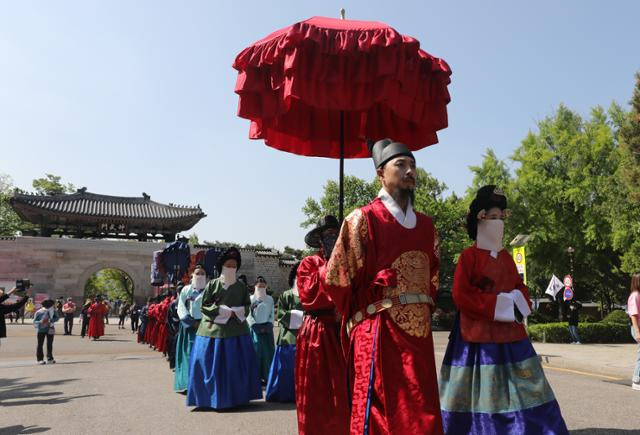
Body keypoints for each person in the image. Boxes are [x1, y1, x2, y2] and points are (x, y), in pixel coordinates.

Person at [324, 139, 443, 434]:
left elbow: (434, 278)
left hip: (418, 333)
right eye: (400, 164)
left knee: (422, 405)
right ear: (380, 173)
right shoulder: (362, 219)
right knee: (383, 409)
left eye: (412, 165)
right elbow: (336, 279)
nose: (409, 170)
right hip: (378, 327)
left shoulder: (428, 227)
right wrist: (364, 306)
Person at [439, 185, 568, 434]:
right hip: (476, 340)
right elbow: (461, 295)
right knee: (479, 393)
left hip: (511, 336)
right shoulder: (469, 257)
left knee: (529, 389)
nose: (498, 223)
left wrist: (518, 302)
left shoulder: (507, 257)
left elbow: (521, 287)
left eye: (501, 218)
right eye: (492, 217)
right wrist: (500, 304)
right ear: (480, 219)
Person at [186, 247, 261, 409]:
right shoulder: (212, 284)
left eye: (234, 266)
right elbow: (204, 305)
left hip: (237, 330)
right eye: (228, 265)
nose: (231, 268)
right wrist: (223, 311)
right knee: (209, 364)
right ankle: (208, 397)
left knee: (236, 366)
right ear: (222, 266)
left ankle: (237, 397)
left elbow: (247, 305)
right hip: (212, 330)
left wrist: (238, 312)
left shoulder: (241, 286)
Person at [295, 216, 349, 435]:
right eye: (326, 236)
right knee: (317, 392)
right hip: (317, 334)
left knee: (345, 391)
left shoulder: (350, 262)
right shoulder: (309, 264)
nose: (331, 239)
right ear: (319, 240)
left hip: (344, 332)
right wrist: (331, 265)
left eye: (335, 235)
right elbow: (309, 296)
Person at [266, 262, 303, 402]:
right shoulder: (286, 295)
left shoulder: (312, 295)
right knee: (287, 368)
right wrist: (302, 317)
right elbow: (281, 315)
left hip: (308, 335)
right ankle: (284, 394)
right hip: (288, 336)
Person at [174, 266, 206, 392]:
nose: (200, 275)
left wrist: (205, 322)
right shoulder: (186, 290)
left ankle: (202, 383)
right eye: (197, 273)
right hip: (189, 327)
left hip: (205, 327)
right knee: (188, 354)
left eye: (203, 273)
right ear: (192, 275)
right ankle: (187, 384)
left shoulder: (209, 290)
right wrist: (191, 322)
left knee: (203, 355)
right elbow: (181, 307)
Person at [247, 276, 275, 384]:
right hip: (255, 330)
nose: (261, 289)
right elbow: (248, 314)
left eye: (263, 287)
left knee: (268, 354)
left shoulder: (270, 299)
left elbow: (272, 313)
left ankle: (268, 376)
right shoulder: (251, 299)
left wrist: (269, 324)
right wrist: (254, 325)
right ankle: (255, 377)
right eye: (259, 287)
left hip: (267, 330)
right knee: (256, 353)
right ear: (255, 287)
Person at [33, 299, 59, 364]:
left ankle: (50, 358)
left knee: (50, 344)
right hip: (41, 329)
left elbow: (57, 318)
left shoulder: (53, 311)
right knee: (40, 344)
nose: (53, 306)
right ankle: (39, 359)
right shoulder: (39, 312)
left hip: (51, 328)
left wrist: (52, 320)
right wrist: (40, 321)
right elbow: (34, 321)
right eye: (52, 304)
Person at [627, 273, 640, 391]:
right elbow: (634, 316)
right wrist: (638, 332)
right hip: (638, 328)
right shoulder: (635, 295)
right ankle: (636, 380)